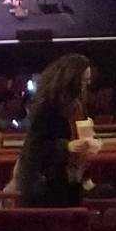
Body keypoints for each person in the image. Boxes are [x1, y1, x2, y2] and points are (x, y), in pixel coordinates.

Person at [16, 53, 97, 208]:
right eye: (83, 81)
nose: (85, 85)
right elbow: (35, 147)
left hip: (70, 179)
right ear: (71, 80)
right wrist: (67, 146)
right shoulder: (47, 106)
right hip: (46, 184)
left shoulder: (77, 105)